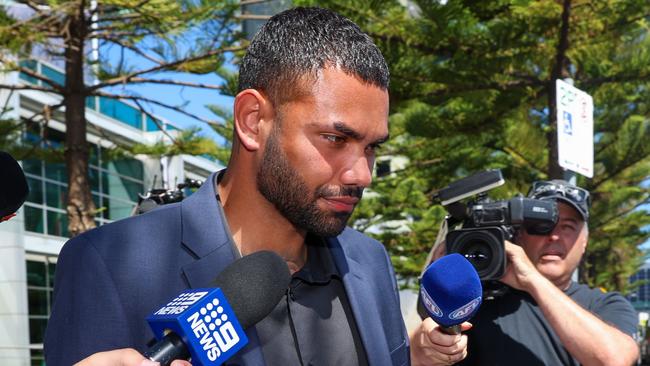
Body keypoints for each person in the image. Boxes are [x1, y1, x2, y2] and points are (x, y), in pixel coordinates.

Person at [45, 7, 469, 366]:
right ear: (253, 121)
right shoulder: (109, 265)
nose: (362, 175)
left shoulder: (371, 263)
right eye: (336, 140)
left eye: (372, 147)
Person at [457, 180, 639, 365]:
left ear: (584, 241)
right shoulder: (480, 303)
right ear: (520, 235)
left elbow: (615, 359)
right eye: (541, 225)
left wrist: (531, 279)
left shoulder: (607, 305)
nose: (554, 236)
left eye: (567, 226)